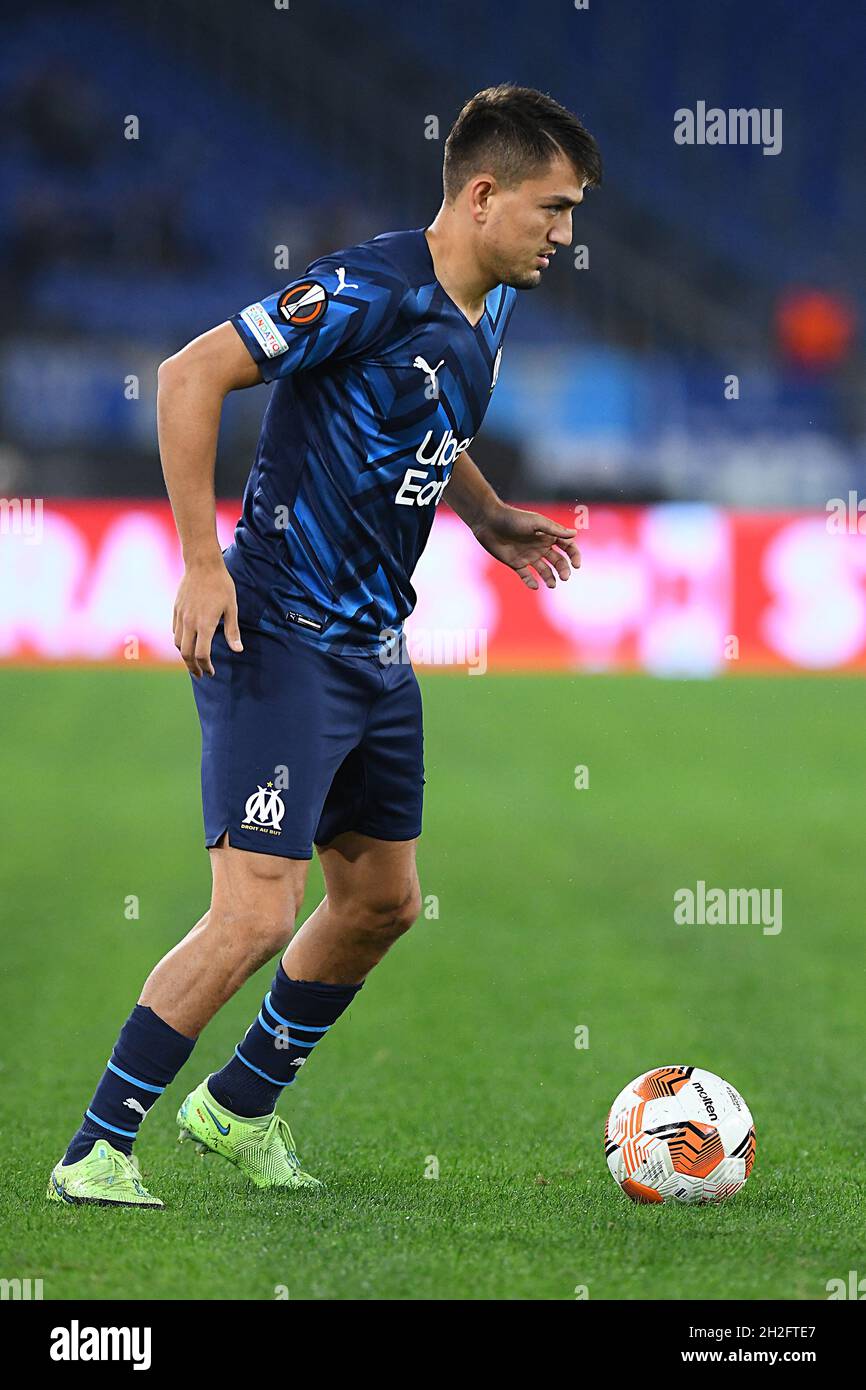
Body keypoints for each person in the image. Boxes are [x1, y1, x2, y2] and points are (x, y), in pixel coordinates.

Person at [48, 84, 601, 1207]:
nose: (566, 236)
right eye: (551, 208)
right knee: (255, 911)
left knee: (381, 904)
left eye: (573, 212)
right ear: (482, 193)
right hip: (278, 630)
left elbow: (425, 419)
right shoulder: (368, 287)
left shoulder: (486, 303)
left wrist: (486, 514)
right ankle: (96, 1149)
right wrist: (203, 562)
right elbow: (190, 372)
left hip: (370, 644)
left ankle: (237, 1107)